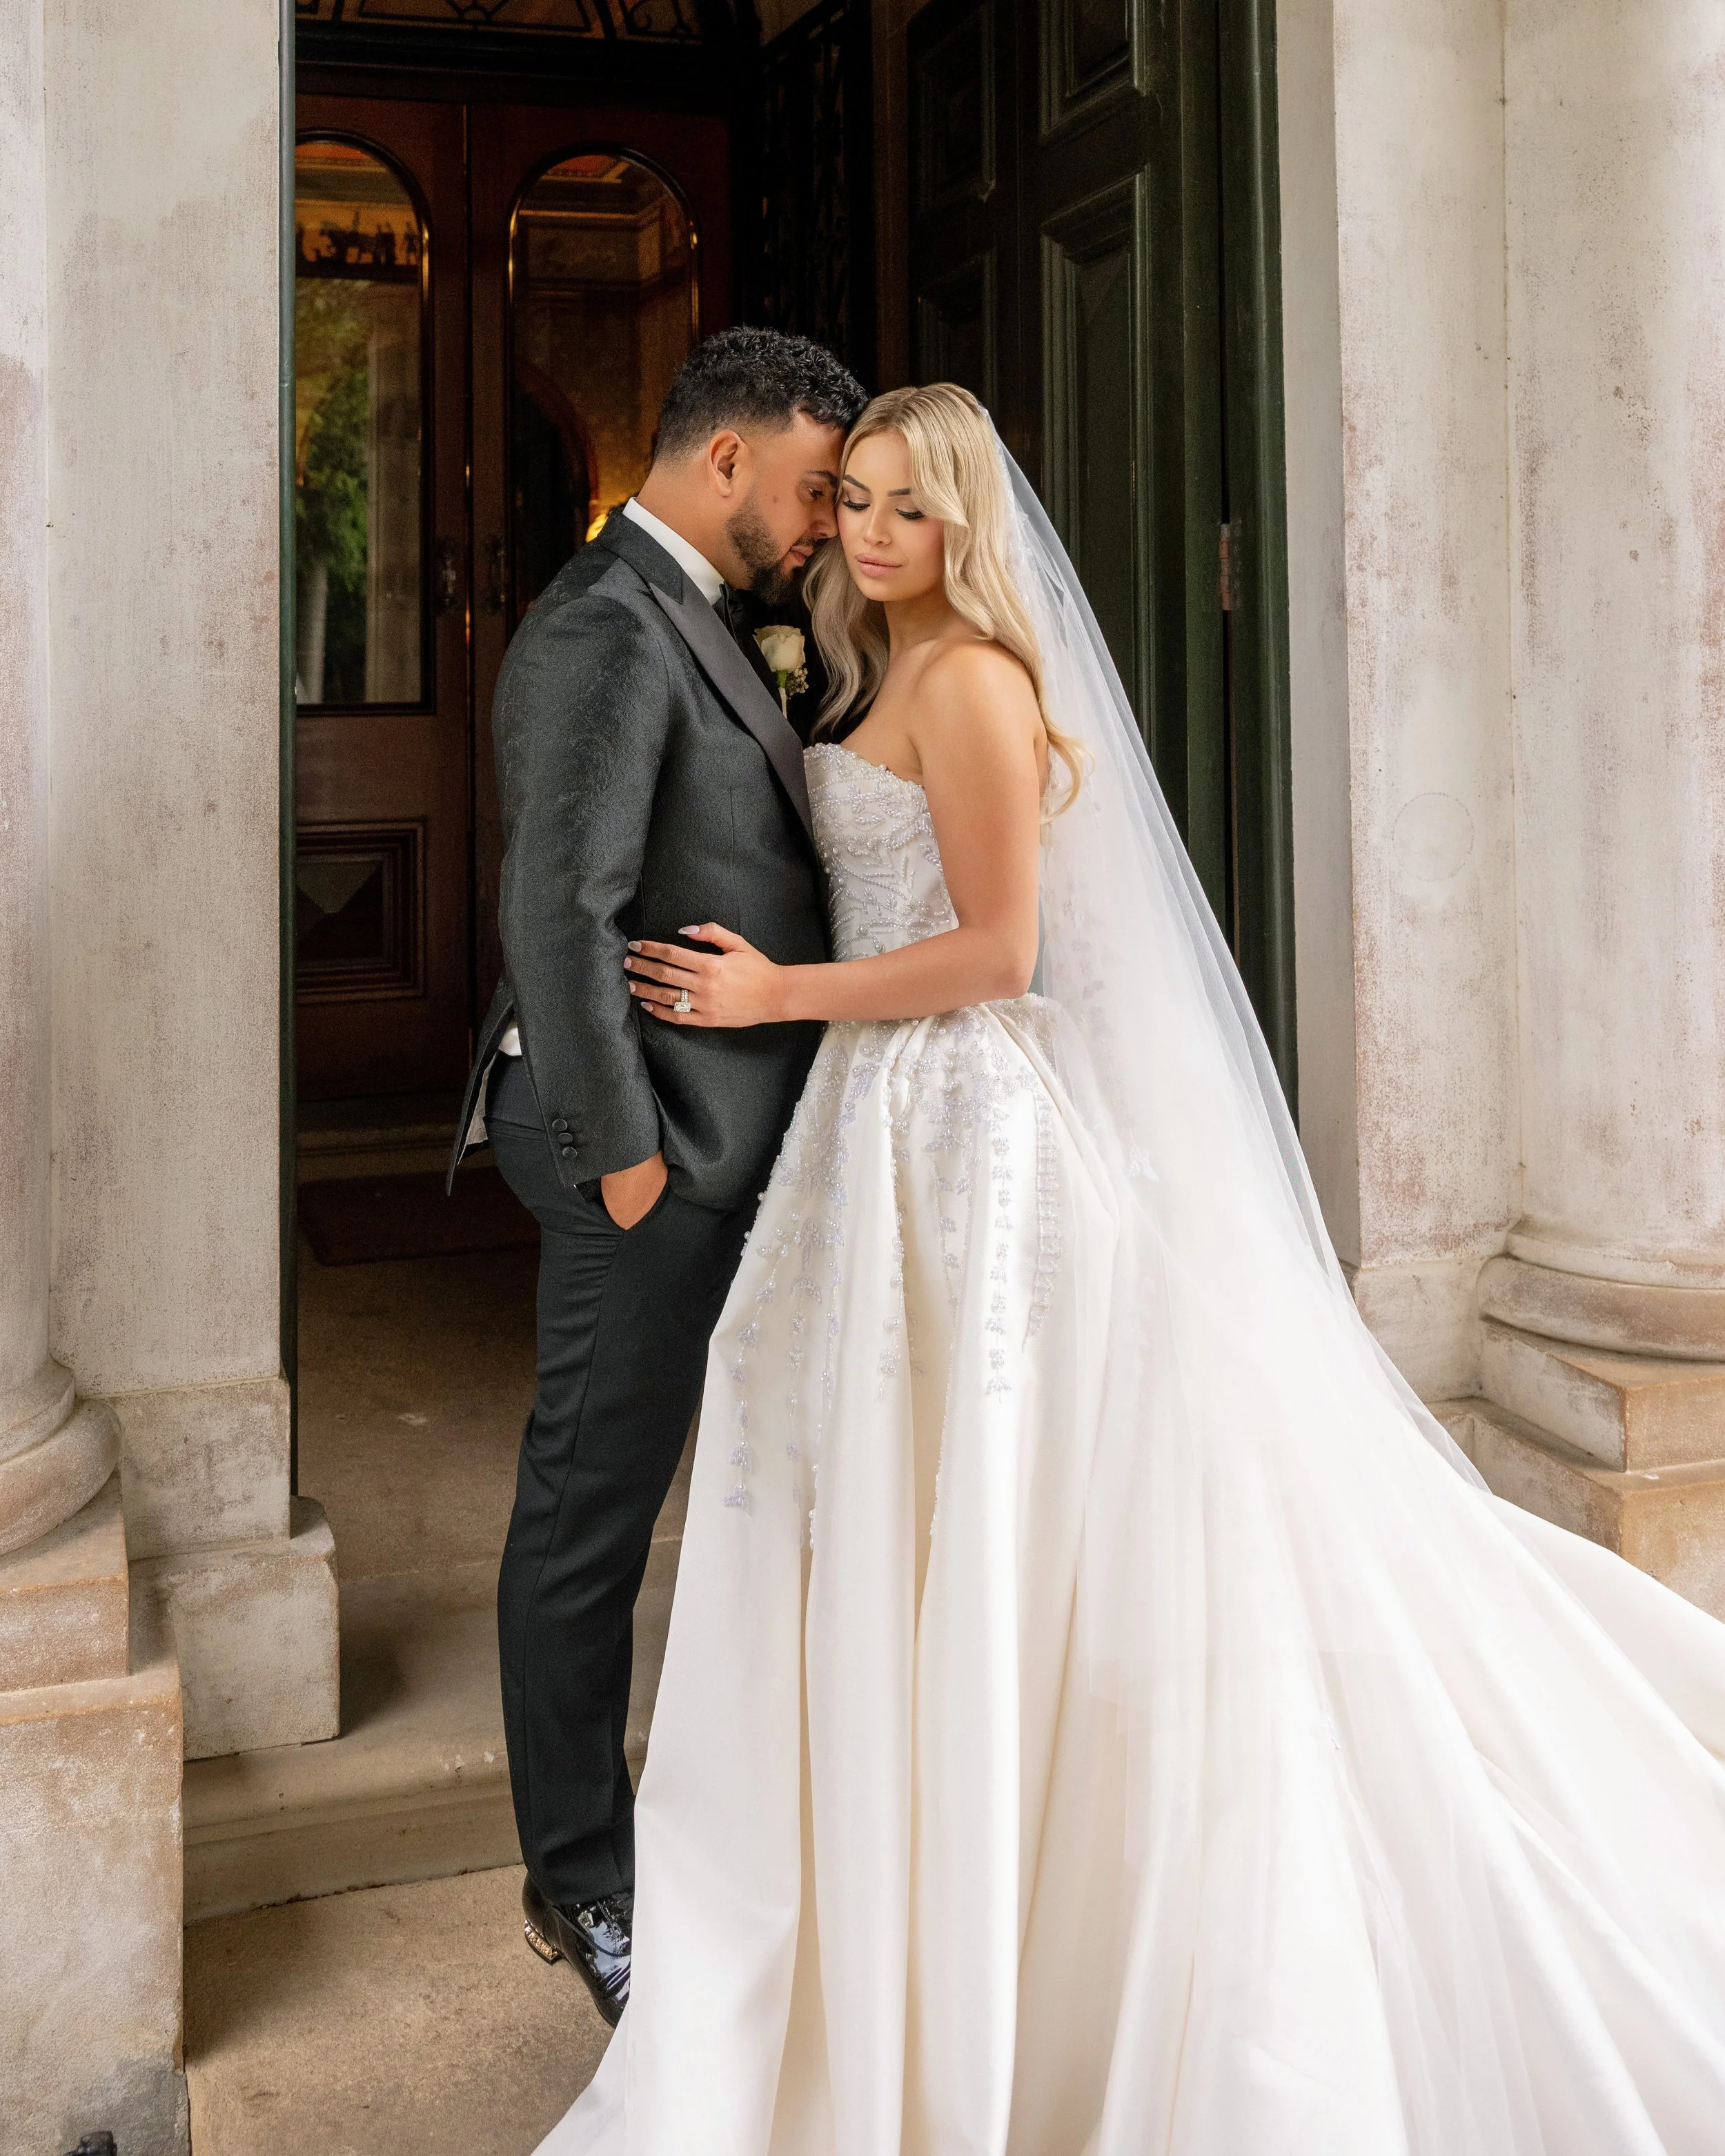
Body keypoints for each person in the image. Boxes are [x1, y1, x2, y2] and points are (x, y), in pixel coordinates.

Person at [536, 379, 1725, 2154]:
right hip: (863, 1135)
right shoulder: (856, 670)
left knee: (1001, 1516)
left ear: (966, 531)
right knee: (870, 1510)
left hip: (962, 1126)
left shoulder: (978, 685)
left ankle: (1012, 1940)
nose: (865, 534)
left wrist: (777, 995)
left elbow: (1002, 951)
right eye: (851, 498)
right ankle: (887, 1904)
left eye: (905, 511)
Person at [446, 328, 867, 2024]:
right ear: (720, 463)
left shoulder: (704, 616)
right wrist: (629, 1163)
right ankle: (581, 1881)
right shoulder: (599, 626)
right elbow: (558, 908)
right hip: (649, 1146)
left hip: (741, 1137)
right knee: (584, 1516)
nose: (827, 519)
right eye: (812, 484)